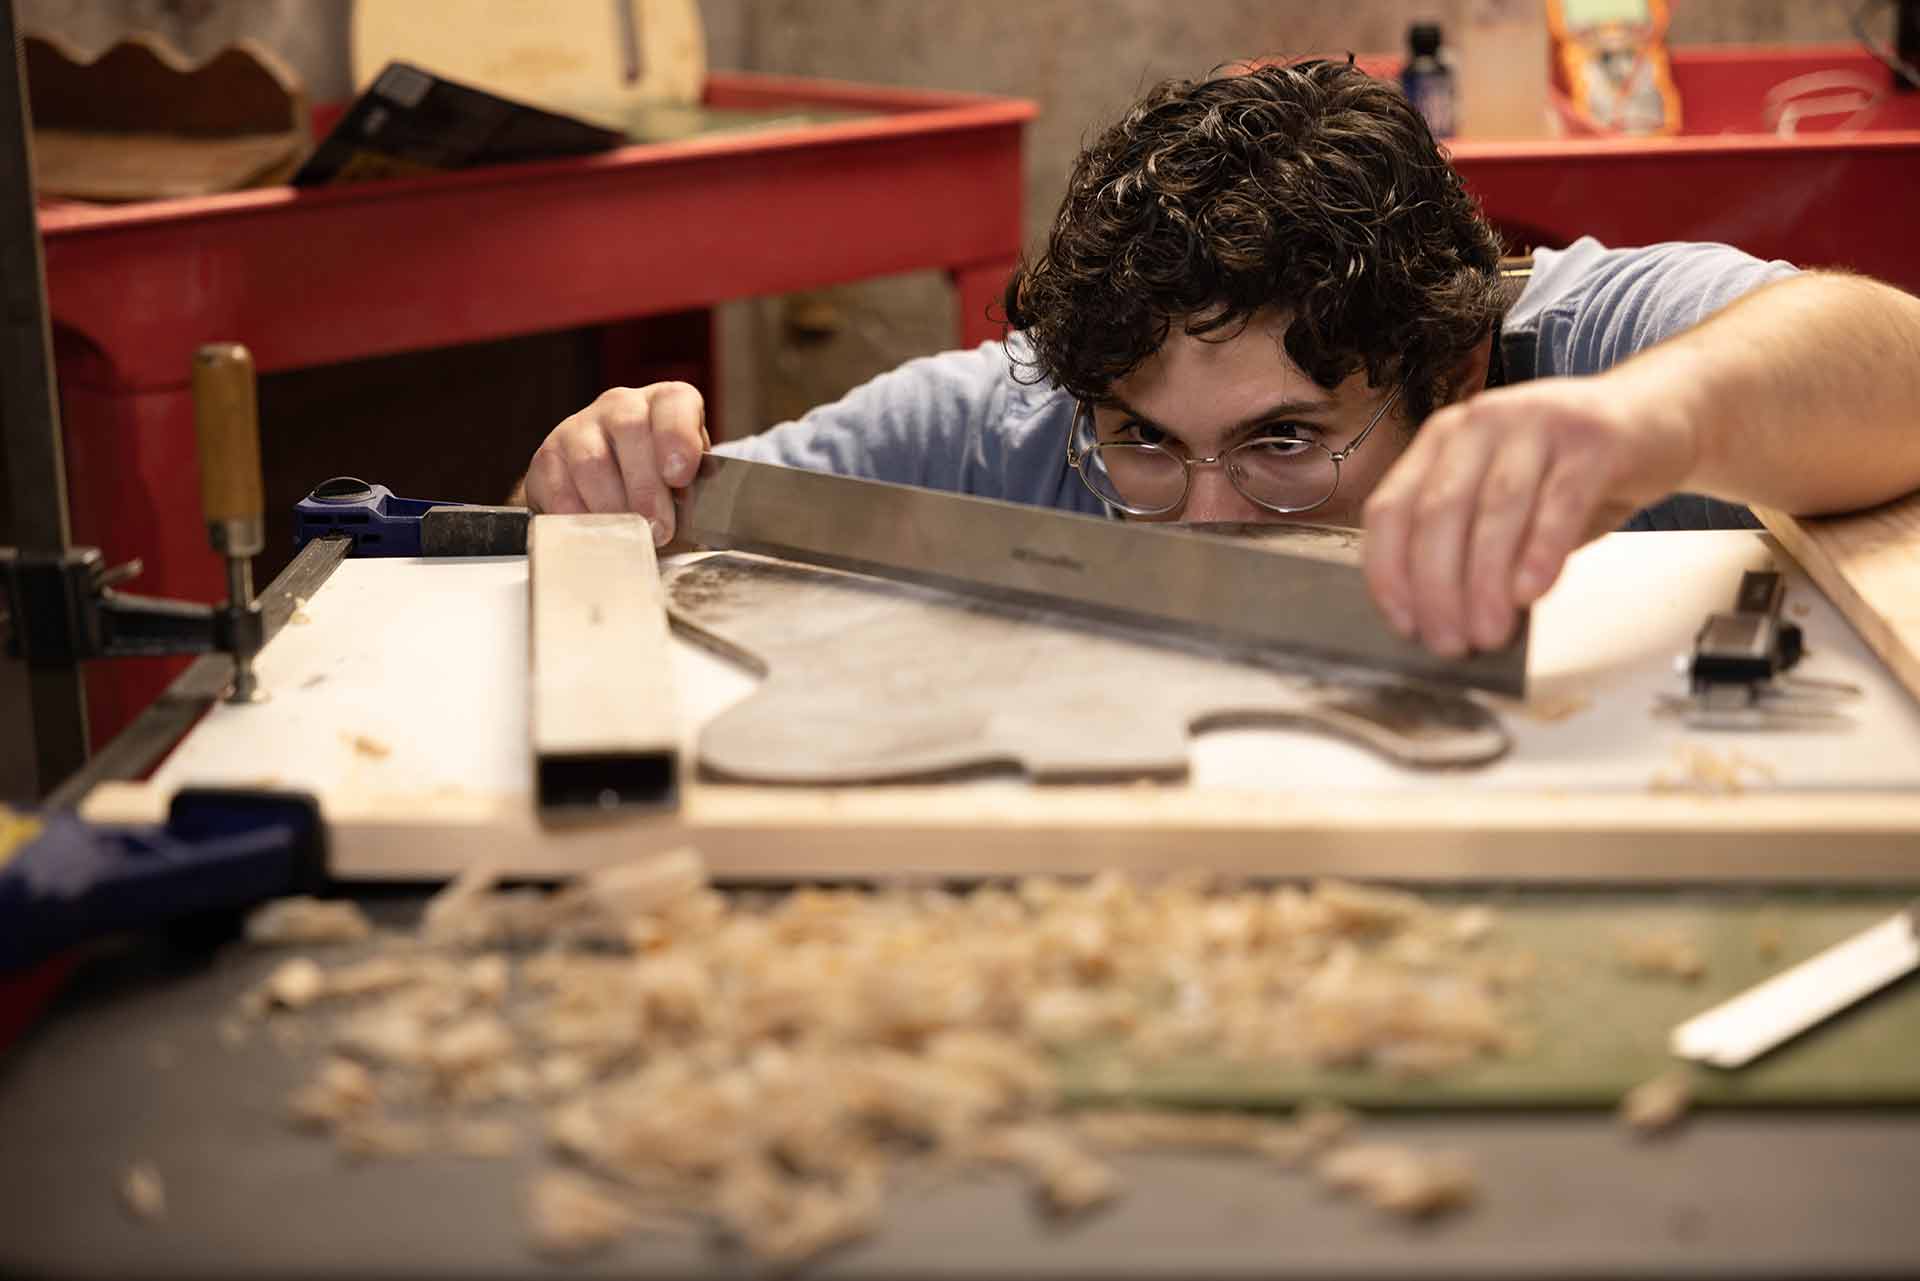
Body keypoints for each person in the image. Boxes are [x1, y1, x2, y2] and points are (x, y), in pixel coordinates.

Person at [515, 57, 1920, 660]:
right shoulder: (1025, 422)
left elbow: (1892, 361)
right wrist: (598, 476)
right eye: (1145, 444)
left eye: (1285, 444)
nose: (1206, 520)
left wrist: (1651, 424)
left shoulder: (1578, 345)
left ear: (1459, 373)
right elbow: (657, 523)